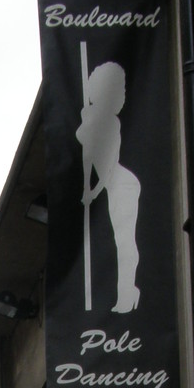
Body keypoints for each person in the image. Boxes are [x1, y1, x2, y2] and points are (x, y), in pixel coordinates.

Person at [77, 59, 141, 313]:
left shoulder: (112, 123)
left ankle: (128, 294)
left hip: (122, 184)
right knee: (119, 241)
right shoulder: (88, 115)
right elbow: (87, 158)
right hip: (110, 185)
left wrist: (93, 191)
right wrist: (85, 186)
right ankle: (127, 293)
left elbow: (111, 163)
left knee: (124, 242)